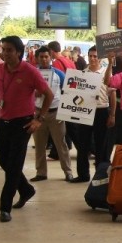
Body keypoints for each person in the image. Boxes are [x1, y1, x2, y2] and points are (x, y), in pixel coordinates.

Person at [0, 36, 53, 223]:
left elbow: (48, 95)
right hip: (3, 122)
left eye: (9, 50)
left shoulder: (30, 71)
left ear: (19, 52)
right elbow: (1, 96)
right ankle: (26, 189)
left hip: (23, 124)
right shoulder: (0, 69)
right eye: (3, 49)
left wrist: (39, 119)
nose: (5, 53)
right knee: (4, 161)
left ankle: (5, 207)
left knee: (13, 167)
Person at [68, 46, 115, 184]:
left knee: (101, 145)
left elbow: (112, 94)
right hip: (85, 111)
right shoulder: (82, 73)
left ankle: (100, 175)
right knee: (83, 144)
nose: (93, 58)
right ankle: (83, 174)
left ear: (99, 58)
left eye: (95, 56)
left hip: (102, 111)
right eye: (90, 56)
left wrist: (112, 114)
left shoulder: (106, 73)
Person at [30, 47, 73, 183]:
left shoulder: (59, 74)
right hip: (38, 114)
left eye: (46, 57)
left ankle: (68, 172)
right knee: (39, 145)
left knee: (61, 144)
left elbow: (67, 91)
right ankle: (41, 172)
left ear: (50, 58)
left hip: (56, 113)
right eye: (41, 57)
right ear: (37, 58)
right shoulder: (33, 74)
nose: (44, 59)